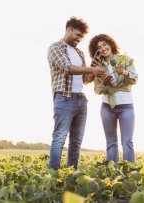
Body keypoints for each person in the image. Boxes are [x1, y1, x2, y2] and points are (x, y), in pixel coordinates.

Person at [47, 17, 106, 170]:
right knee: (59, 138)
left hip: (80, 99)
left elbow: (86, 79)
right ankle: (53, 175)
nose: (79, 39)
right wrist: (91, 69)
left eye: (81, 37)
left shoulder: (79, 52)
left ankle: (70, 174)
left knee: (76, 141)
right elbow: (68, 68)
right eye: (78, 35)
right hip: (64, 98)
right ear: (69, 29)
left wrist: (94, 69)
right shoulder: (55, 47)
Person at [88, 34, 138, 163]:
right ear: (96, 52)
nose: (103, 48)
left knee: (127, 141)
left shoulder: (124, 60)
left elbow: (134, 78)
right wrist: (104, 82)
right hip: (107, 107)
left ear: (110, 44)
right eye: (99, 48)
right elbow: (97, 89)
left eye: (105, 44)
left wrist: (123, 72)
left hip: (126, 106)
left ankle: (129, 172)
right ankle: (112, 171)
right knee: (111, 142)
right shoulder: (98, 67)